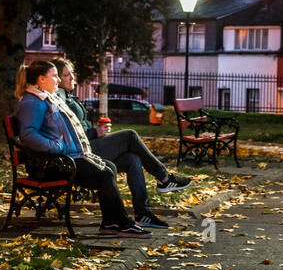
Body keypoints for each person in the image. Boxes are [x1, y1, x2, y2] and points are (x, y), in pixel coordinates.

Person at [14, 59, 149, 238]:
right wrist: (56, 146)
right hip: (49, 165)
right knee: (105, 173)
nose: (58, 80)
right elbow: (28, 134)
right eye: (54, 76)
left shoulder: (46, 98)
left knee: (109, 167)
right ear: (41, 79)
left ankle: (111, 223)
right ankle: (122, 224)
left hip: (62, 159)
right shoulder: (33, 101)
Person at [52, 57, 191, 229]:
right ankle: (164, 177)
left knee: (133, 158)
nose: (72, 78)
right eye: (66, 75)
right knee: (130, 135)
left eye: (72, 73)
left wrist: (97, 132)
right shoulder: (59, 97)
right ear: (56, 79)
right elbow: (70, 135)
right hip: (81, 153)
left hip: (91, 145)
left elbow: (79, 128)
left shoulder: (69, 96)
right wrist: (95, 132)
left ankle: (143, 212)